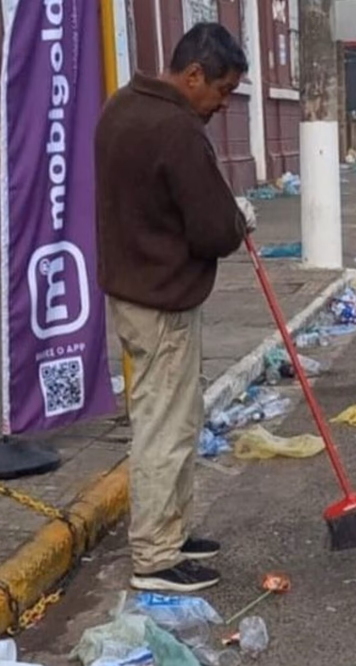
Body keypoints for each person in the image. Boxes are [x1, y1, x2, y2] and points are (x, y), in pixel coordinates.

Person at [95, 23, 256, 593]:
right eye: (222, 90)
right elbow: (212, 228)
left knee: (174, 418)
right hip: (161, 298)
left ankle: (172, 531)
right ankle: (157, 557)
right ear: (193, 75)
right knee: (165, 427)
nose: (223, 103)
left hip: (133, 287)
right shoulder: (176, 128)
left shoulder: (121, 106)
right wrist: (238, 220)